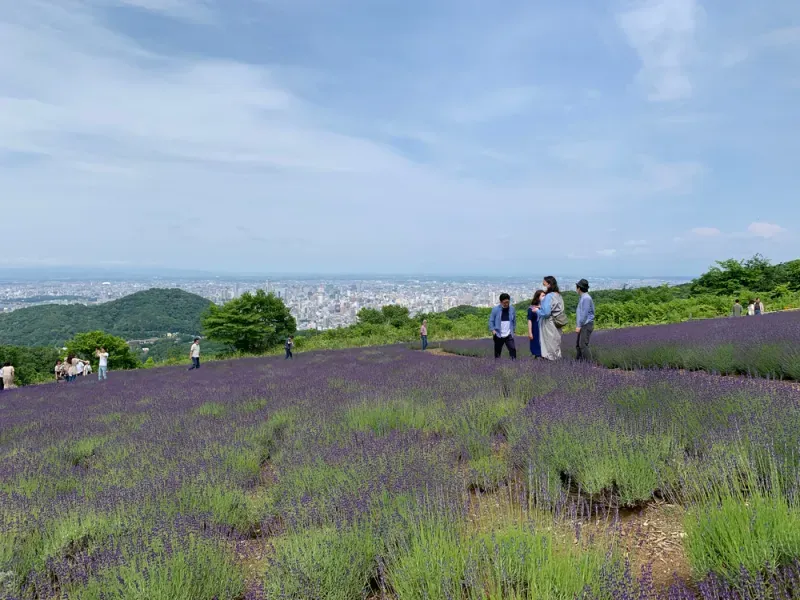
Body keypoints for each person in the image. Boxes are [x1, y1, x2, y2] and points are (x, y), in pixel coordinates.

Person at [533, 276, 565, 361]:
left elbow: (546, 313)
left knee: (549, 344)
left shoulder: (548, 296)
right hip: (558, 322)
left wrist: (537, 310)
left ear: (549, 285)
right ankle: (558, 361)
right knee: (556, 343)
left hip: (549, 324)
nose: (544, 287)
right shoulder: (558, 295)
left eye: (545, 284)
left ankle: (551, 362)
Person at [489, 293, 517, 360]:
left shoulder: (512, 309)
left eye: (508, 302)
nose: (506, 304)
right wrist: (493, 330)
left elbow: (514, 320)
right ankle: (497, 364)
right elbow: (491, 321)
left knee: (513, 349)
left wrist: (513, 329)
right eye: (504, 302)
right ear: (501, 302)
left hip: (509, 334)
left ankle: (514, 363)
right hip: (498, 334)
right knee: (497, 352)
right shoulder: (495, 309)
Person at [575, 279, 595, 361]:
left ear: (579, 288)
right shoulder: (583, 297)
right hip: (584, 324)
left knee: (583, 345)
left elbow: (584, 314)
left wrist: (579, 325)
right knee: (578, 345)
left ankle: (589, 364)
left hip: (586, 324)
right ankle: (579, 362)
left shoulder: (586, 298)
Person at [527, 290, 544, 358]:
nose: (544, 297)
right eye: (543, 296)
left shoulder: (545, 307)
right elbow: (529, 320)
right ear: (538, 297)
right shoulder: (531, 308)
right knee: (536, 344)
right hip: (535, 329)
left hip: (544, 329)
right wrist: (530, 332)